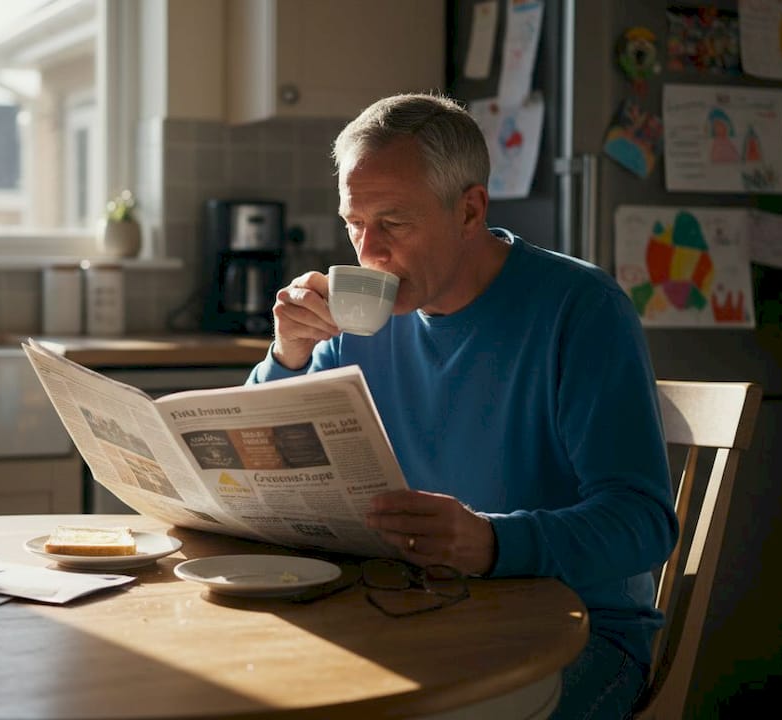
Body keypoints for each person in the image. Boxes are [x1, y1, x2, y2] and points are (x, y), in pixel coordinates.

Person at [246, 93, 678, 719]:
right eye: (353, 223)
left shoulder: (580, 309)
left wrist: (492, 542)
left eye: (392, 223)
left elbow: (644, 524)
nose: (369, 253)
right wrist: (285, 355)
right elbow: (272, 480)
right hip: (408, 610)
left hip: (574, 632)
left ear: (469, 209)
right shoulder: (356, 322)